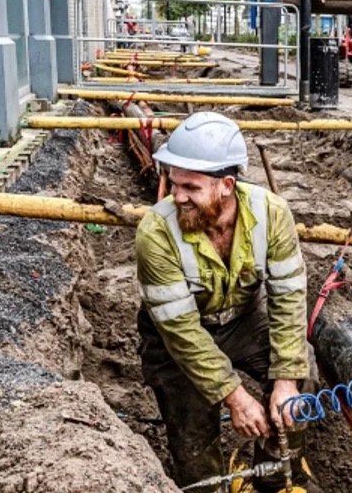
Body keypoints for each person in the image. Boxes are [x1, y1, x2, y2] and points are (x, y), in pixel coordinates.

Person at [135, 112, 316, 490]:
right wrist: (235, 397)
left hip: (245, 321)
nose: (176, 196)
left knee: (301, 374)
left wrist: (285, 381)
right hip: (178, 339)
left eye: (190, 187)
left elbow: (288, 300)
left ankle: (273, 477)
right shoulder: (155, 233)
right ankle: (208, 484)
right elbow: (182, 332)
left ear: (226, 185)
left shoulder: (271, 214)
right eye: (173, 182)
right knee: (192, 430)